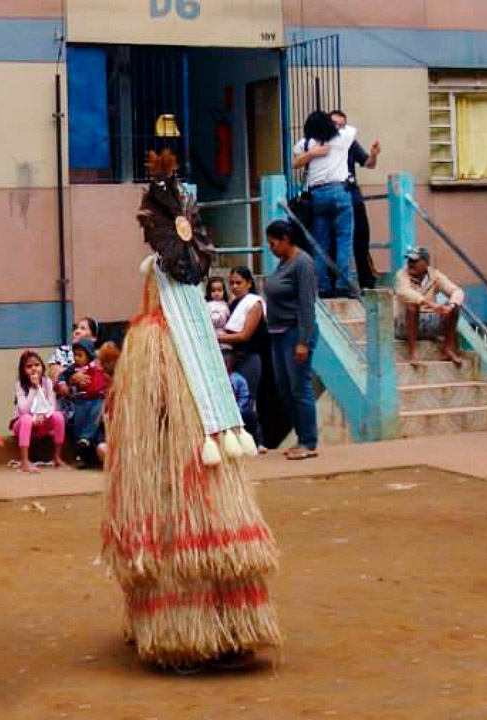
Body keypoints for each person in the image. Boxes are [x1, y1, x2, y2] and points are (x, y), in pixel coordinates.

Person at [103, 156, 279, 668]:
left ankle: (185, 638)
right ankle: (231, 631)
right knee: (217, 541)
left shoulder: (148, 339)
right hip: (214, 469)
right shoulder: (201, 334)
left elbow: (136, 422)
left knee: (180, 547)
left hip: (171, 474)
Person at [264, 220, 319, 460]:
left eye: (273, 243)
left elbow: (307, 304)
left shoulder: (302, 263)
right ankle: (300, 437)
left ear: (286, 239)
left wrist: (303, 341)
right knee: (285, 389)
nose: (270, 248)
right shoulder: (282, 264)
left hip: (294, 333)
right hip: (277, 333)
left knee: (300, 388)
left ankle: (308, 441)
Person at [292, 110, 359, 298]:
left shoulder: (305, 143)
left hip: (318, 194)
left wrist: (312, 153)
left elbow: (295, 162)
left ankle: (322, 285)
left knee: (321, 242)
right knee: (344, 240)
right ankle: (342, 284)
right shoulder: (342, 137)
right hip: (340, 191)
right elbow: (351, 130)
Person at [216, 267, 271, 450]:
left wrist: (215, 337)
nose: (234, 287)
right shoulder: (232, 305)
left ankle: (258, 441)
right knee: (232, 400)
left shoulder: (253, 303)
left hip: (249, 358)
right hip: (233, 358)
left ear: (249, 283)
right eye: (231, 283)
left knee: (247, 401)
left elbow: (244, 335)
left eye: (238, 283)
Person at [332, 110, 381, 290]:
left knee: (361, 239)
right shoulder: (323, 143)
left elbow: (368, 163)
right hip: (334, 197)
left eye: (342, 125)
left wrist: (374, 154)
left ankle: (366, 282)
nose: (338, 128)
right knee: (334, 242)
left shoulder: (349, 143)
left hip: (352, 196)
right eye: (334, 124)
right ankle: (335, 283)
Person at [394, 247, 465, 367]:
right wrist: (430, 304)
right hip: (403, 325)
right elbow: (404, 292)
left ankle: (447, 349)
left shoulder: (435, 276)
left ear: (426, 263)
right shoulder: (402, 275)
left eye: (414, 261)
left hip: (426, 322)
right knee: (412, 305)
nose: (410, 264)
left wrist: (451, 305)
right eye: (409, 261)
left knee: (454, 308)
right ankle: (413, 352)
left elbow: (457, 291)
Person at [12, 350, 66, 474]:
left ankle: (57, 457)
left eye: (36, 365)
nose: (34, 369)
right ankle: (25, 461)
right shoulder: (20, 385)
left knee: (58, 416)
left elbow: (52, 405)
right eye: (29, 367)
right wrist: (33, 388)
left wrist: (43, 416)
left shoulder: (47, 383)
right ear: (23, 370)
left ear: (42, 366)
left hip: (42, 422)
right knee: (26, 418)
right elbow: (23, 409)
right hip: (24, 425)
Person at [56, 338, 108, 466]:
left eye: (80, 355)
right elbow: (62, 376)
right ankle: (82, 453)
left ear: (89, 355)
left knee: (95, 416)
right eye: (75, 355)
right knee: (78, 424)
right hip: (81, 400)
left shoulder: (97, 366)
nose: (77, 358)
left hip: (97, 399)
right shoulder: (73, 368)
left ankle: (86, 438)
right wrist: (63, 382)